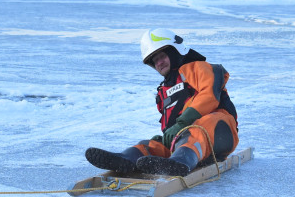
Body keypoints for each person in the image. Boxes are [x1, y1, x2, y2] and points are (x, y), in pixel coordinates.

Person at [85, 29, 239, 177]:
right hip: (187, 140)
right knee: (152, 145)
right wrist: (169, 136)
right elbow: (170, 125)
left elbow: (209, 96)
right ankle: (126, 159)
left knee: (202, 127)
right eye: (155, 60)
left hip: (220, 132)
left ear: (174, 52)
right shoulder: (164, 91)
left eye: (162, 56)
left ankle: (181, 162)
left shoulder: (198, 68)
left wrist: (182, 123)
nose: (159, 63)